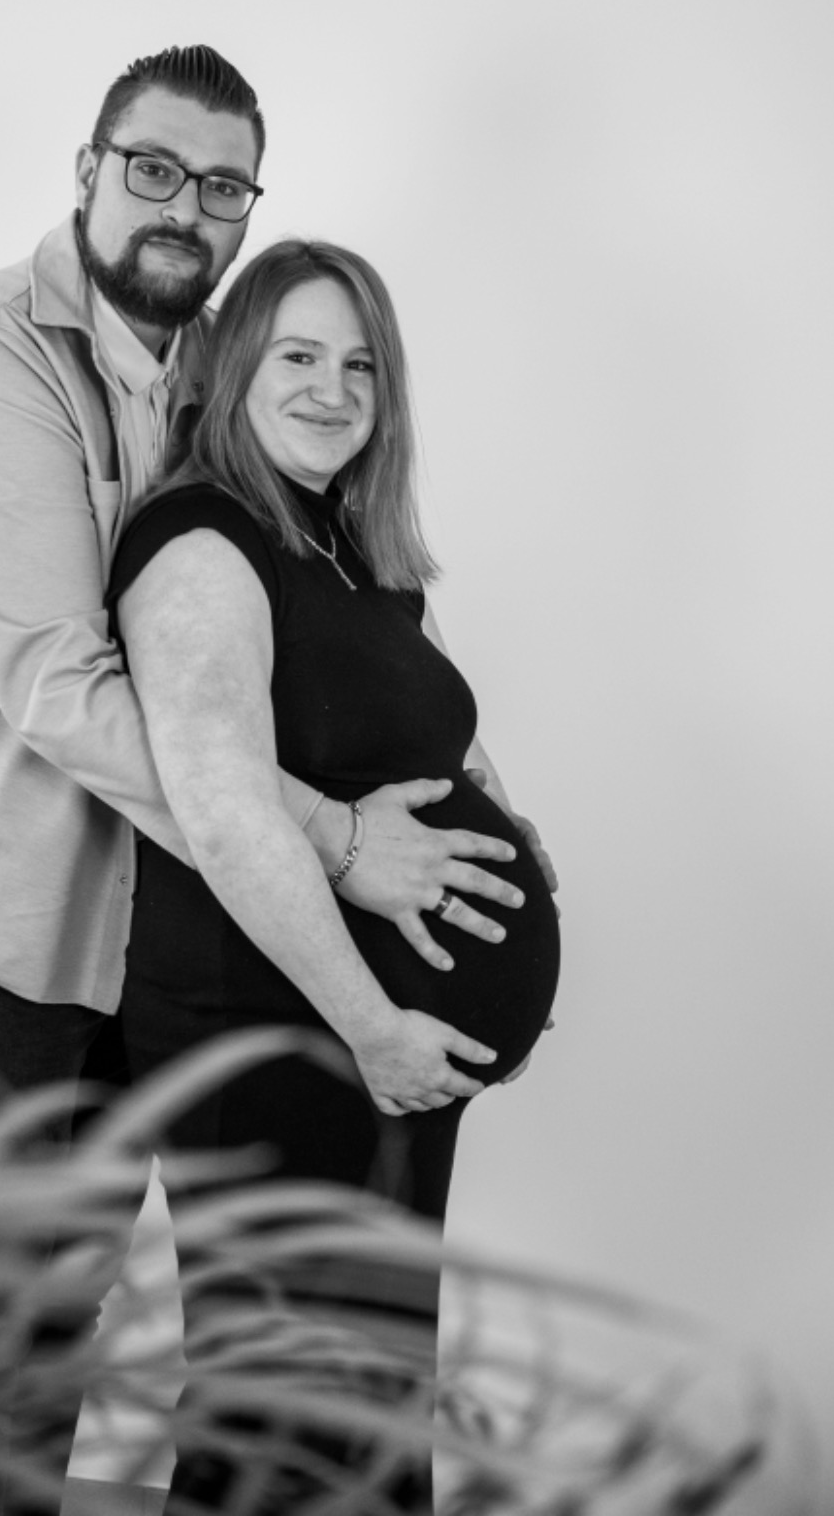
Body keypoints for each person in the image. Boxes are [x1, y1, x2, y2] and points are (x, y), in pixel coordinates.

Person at [0, 47, 538, 1182]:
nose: (185, 210)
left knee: (75, 1280)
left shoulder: (221, 364)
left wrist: (476, 805)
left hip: (127, 911)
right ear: (88, 171)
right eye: (153, 169)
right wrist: (333, 841)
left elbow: (323, 594)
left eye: (221, 187)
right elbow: (63, 692)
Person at [107, 238, 562, 1506]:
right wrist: (374, 1026)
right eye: (297, 356)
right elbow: (219, 806)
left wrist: (507, 858)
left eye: (359, 364)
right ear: (234, 368)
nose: (332, 388)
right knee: (282, 1408)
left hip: (376, 1050)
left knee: (368, 1393)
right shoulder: (201, 540)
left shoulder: (343, 542)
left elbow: (427, 731)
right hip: (282, 1035)